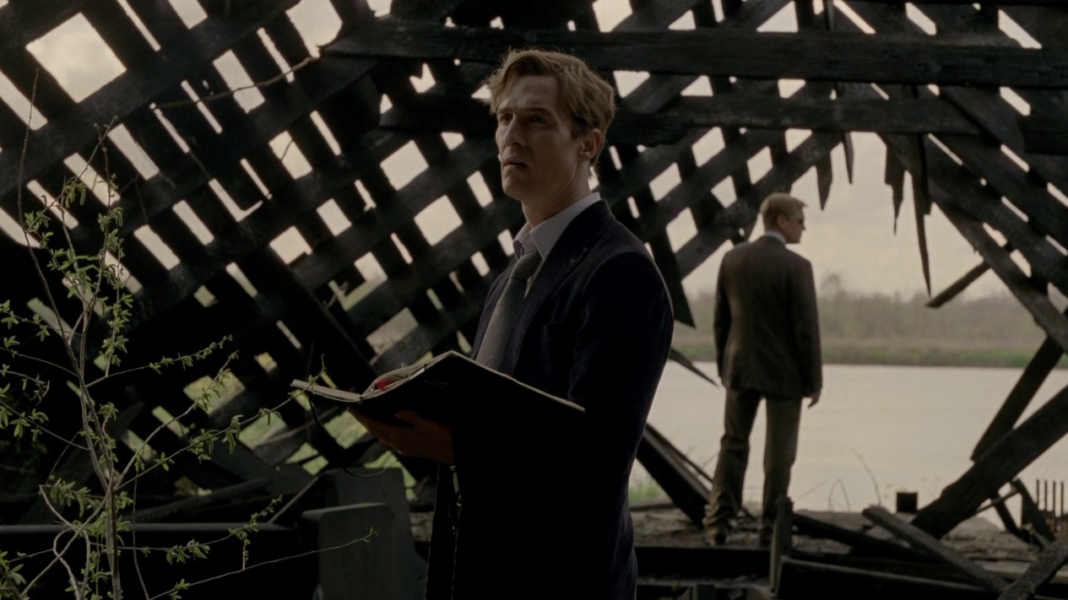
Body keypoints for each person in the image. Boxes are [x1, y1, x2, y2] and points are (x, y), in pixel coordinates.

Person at [348, 49, 674, 599]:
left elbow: (598, 460)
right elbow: (508, 412)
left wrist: (456, 446)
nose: (511, 137)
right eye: (504, 118)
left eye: (537, 120)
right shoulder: (518, 271)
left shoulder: (619, 272)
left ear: (588, 144)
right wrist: (423, 397)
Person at [703, 193, 823, 547]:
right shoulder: (797, 266)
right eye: (800, 221)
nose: (804, 228)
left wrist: (724, 365)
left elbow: (720, 319)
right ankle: (771, 530)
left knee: (732, 445)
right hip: (786, 374)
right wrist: (814, 380)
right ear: (782, 221)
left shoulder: (733, 259)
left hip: (738, 367)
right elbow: (806, 329)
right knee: (779, 455)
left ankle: (718, 524)